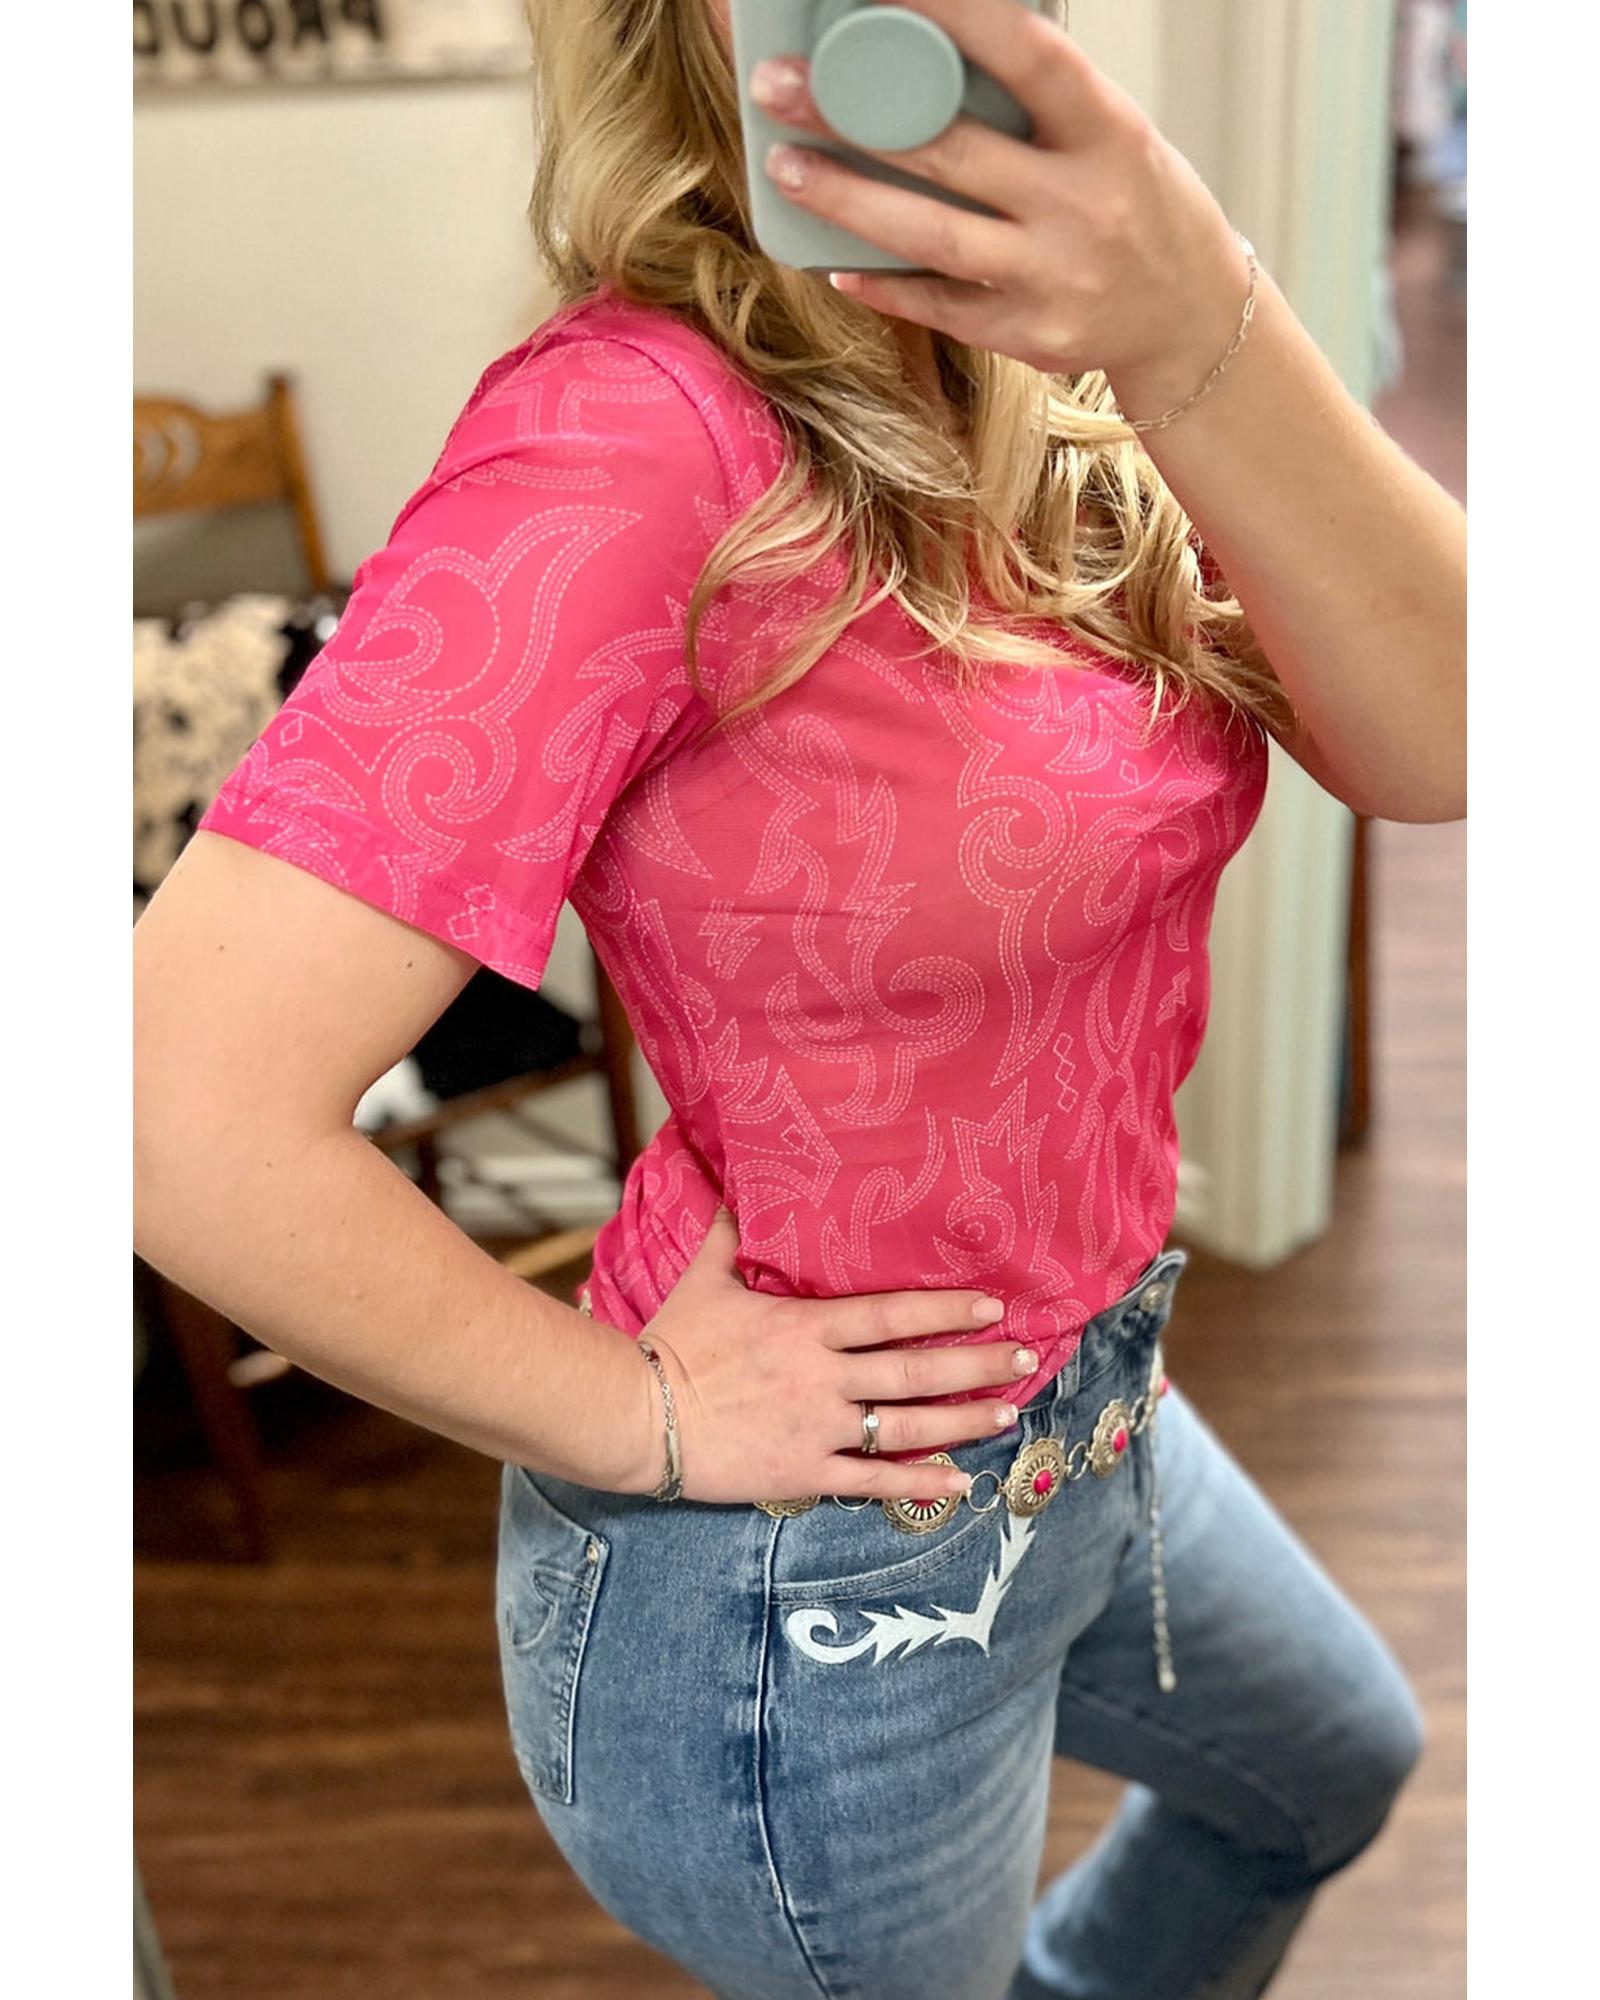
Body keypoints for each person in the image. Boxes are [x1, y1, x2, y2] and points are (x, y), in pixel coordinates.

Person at [133, 3, 1465, 1995]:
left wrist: (1197, 314)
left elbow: (1446, 736)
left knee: (1323, 1773)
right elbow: (168, 1107)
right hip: (806, 1565)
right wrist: (646, 1416)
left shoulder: (1051, 365)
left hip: (1093, 1405)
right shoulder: (625, 438)